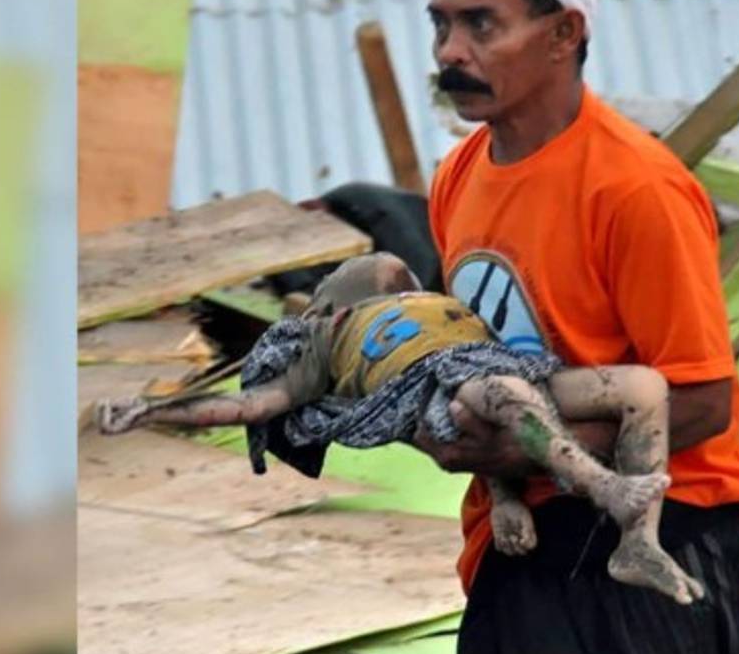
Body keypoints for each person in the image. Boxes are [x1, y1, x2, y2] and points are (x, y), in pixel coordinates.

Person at [417, 0, 739, 654]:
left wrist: (541, 448)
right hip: (527, 538)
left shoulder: (635, 190)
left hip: (655, 531)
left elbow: (705, 400)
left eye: (481, 24)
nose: (452, 51)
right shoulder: (459, 178)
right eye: (440, 23)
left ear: (565, 32)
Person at [96, 252, 705, 602]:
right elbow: (248, 407)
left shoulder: (430, 300)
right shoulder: (320, 346)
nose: (390, 274)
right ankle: (608, 490)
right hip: (441, 391)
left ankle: (638, 544)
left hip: (506, 370)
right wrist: (151, 411)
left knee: (643, 387)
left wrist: (505, 498)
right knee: (499, 396)